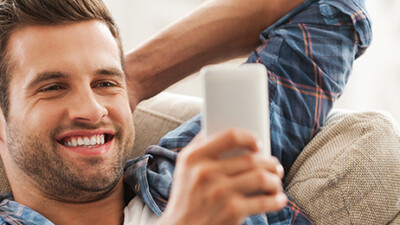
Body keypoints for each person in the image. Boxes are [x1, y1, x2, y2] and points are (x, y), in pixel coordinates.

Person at [0, 0, 371, 225]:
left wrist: (138, 77)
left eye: (104, 83)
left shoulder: (201, 169)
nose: (92, 109)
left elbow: (330, 11)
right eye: (52, 87)